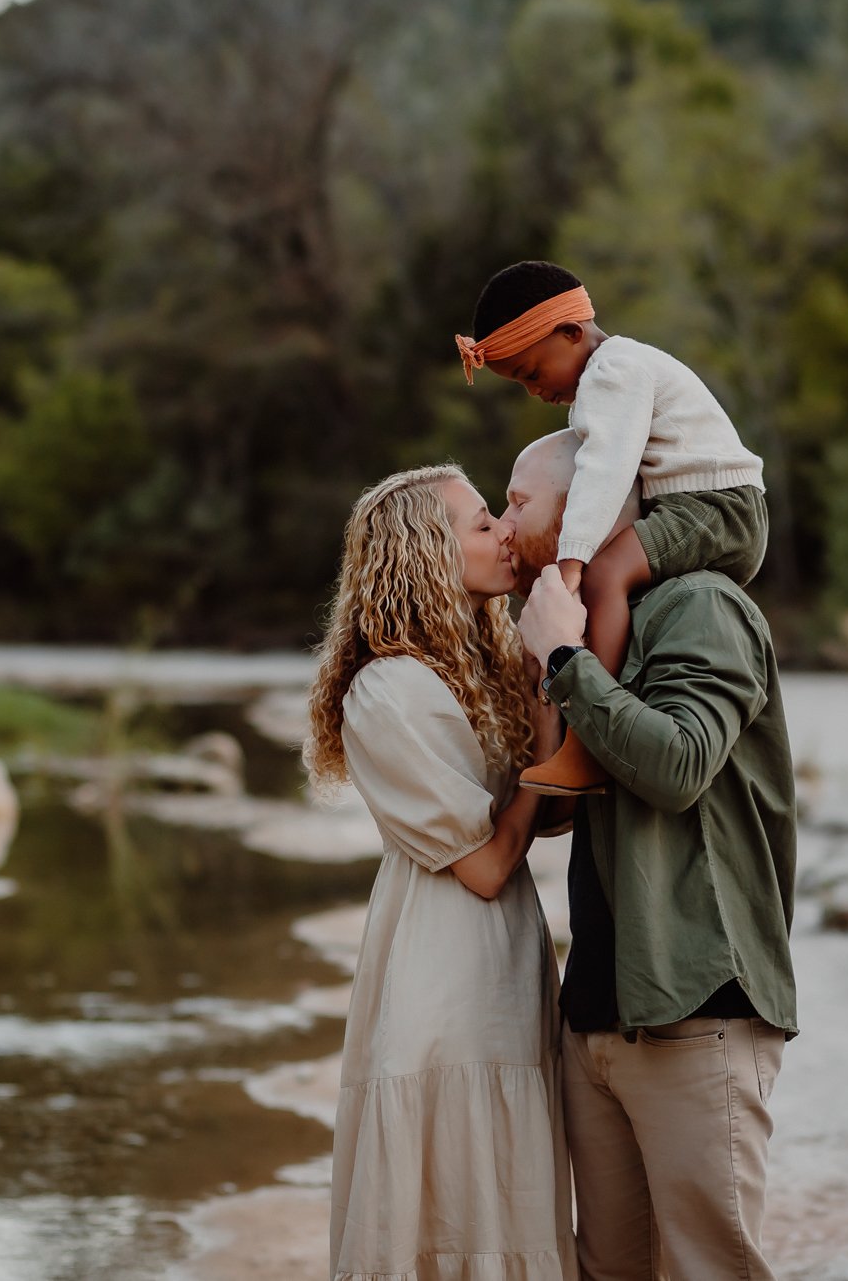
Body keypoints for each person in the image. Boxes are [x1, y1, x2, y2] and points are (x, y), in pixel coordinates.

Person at [505, 431, 798, 1281]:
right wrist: (549, 672)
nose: (504, 515)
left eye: (520, 499)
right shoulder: (597, 622)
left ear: (587, 506)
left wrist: (566, 660)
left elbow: (676, 766)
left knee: (711, 1268)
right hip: (598, 1007)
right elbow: (560, 809)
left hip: (698, 1001)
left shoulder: (701, 605)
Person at [305, 464, 577, 1281]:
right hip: (444, 975)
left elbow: (549, 808)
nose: (503, 533)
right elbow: (492, 863)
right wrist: (539, 729)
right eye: (482, 521)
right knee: (453, 1187)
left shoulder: (477, 668)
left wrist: (555, 685)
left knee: (504, 1182)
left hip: (505, 962)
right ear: (425, 552)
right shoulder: (388, 691)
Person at [457, 261, 767, 797]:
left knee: (605, 575)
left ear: (572, 333)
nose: (533, 392)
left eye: (532, 373)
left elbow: (603, 473)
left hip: (717, 507)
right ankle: (581, 735)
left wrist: (574, 562)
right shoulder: (611, 373)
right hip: (701, 505)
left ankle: (586, 747)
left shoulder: (613, 371)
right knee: (610, 577)